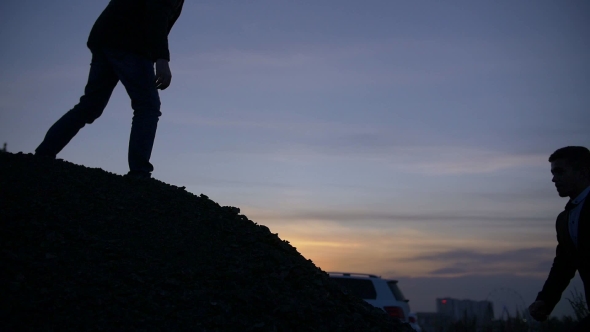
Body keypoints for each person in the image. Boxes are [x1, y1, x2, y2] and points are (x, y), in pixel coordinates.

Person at [35, 0, 184, 179]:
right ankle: (139, 172)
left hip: (107, 37)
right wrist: (161, 58)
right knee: (147, 106)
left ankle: (44, 153)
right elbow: (157, 13)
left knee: (91, 105)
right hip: (129, 42)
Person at [529, 146, 590, 331]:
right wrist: (545, 300)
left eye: (559, 171)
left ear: (581, 172)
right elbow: (563, 265)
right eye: (553, 172)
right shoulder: (564, 220)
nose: (554, 179)